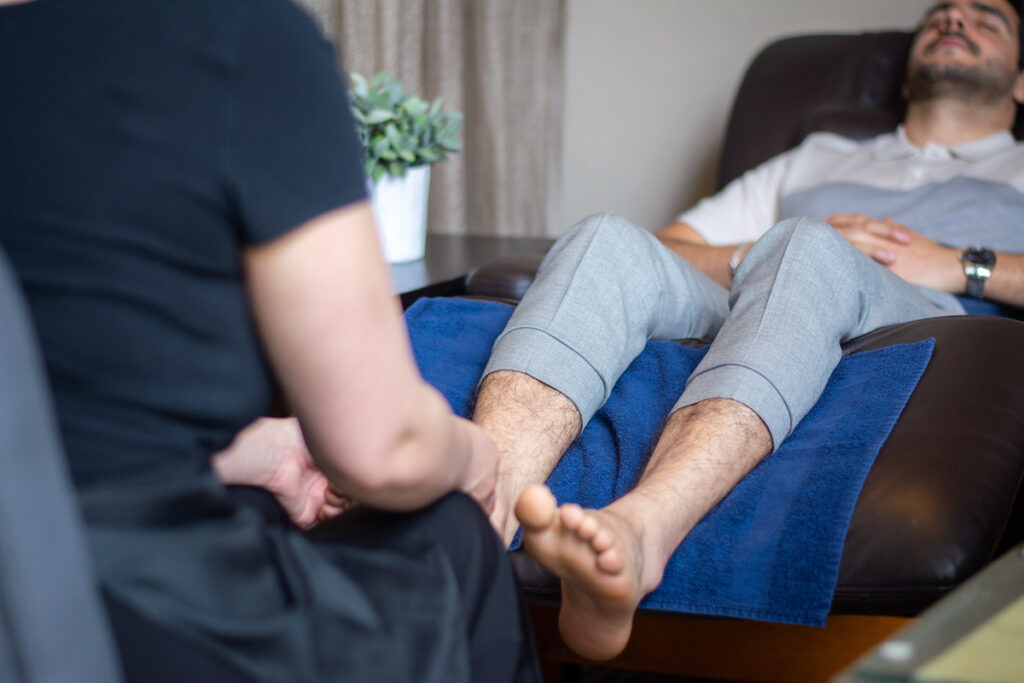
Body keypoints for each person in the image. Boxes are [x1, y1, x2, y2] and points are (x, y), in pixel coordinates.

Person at [0, 1, 539, 681]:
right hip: (116, 619)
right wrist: (472, 452)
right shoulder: (234, 39)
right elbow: (384, 449)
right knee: (455, 533)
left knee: (260, 503)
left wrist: (263, 452)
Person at [473, 0, 1024, 661]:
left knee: (808, 247)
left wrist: (965, 263)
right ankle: (472, 522)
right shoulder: (817, 155)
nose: (956, 18)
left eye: (986, 17)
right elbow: (672, 243)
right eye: (942, 13)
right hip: (762, 298)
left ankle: (643, 532)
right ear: (905, 80)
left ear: (1022, 81)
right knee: (604, 239)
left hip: (923, 325)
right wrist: (763, 248)